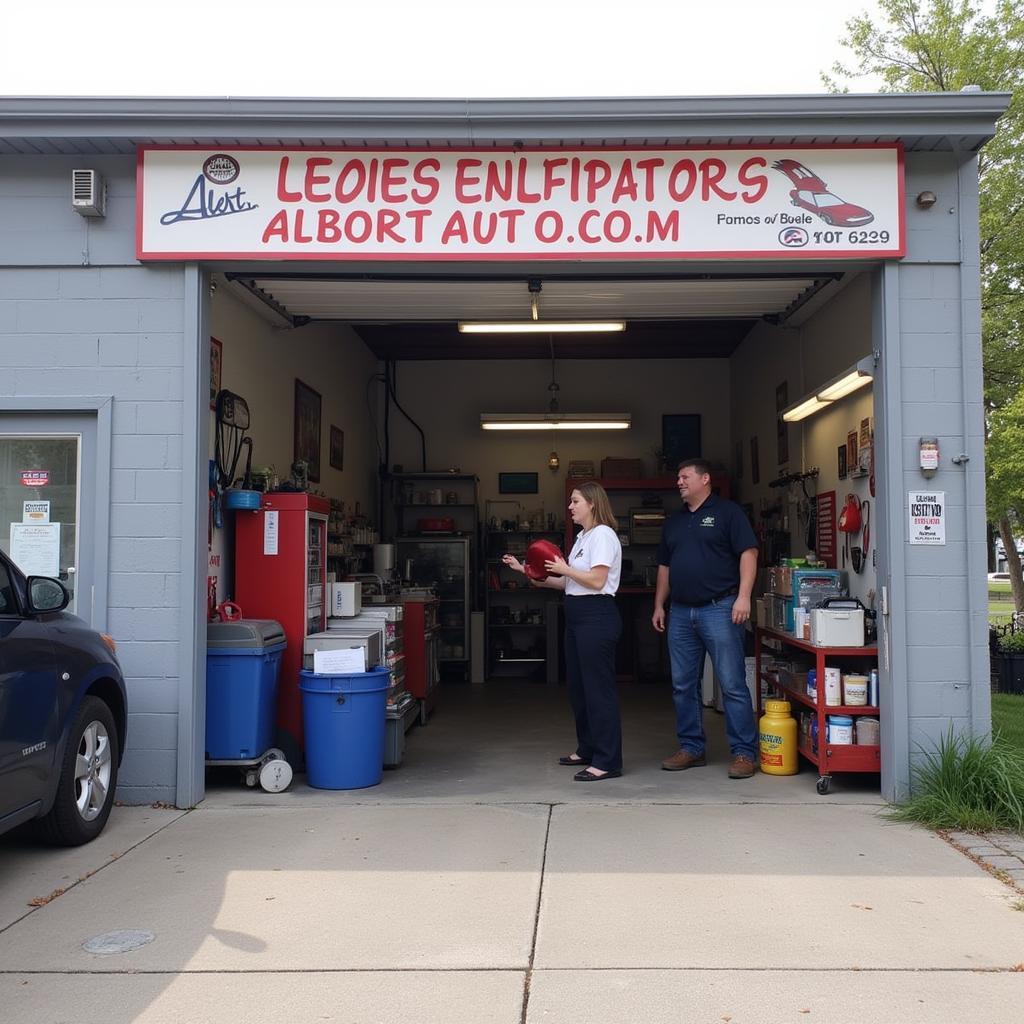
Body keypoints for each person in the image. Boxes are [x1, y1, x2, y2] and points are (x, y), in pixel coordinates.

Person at [503, 481, 623, 781]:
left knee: (598, 690)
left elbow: (596, 581)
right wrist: (526, 571)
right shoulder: (583, 537)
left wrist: (565, 569)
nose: (570, 507)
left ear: (592, 504)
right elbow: (568, 582)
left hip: (597, 616)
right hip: (578, 617)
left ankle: (607, 761)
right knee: (579, 689)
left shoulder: (604, 536)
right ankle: (587, 749)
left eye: (575, 502)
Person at [651, 458, 759, 779]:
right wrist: (659, 605)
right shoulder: (673, 522)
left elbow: (748, 553)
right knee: (683, 685)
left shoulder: (728, 513)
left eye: (685, 477)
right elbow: (664, 567)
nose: (679, 482)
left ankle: (744, 753)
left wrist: (743, 596)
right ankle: (691, 748)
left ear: (705, 479)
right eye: (678, 478)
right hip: (681, 612)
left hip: (720, 608)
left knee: (732, 684)